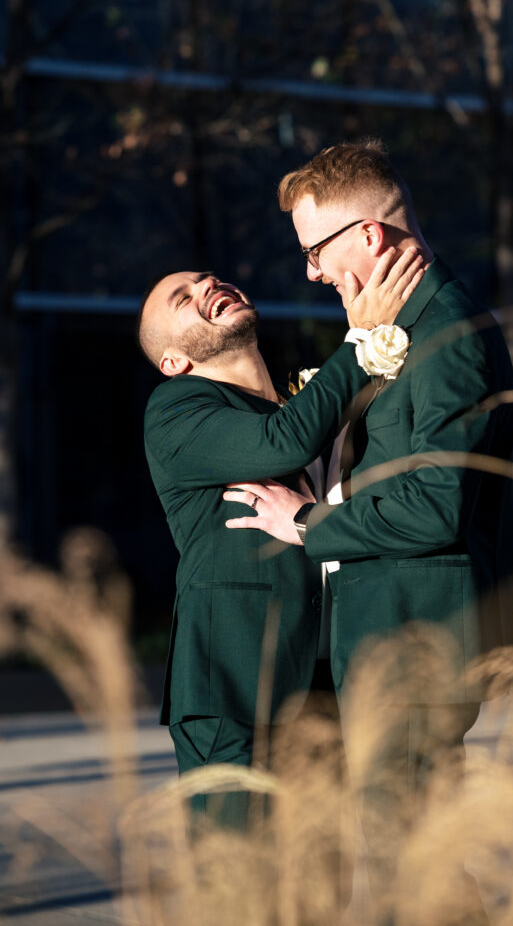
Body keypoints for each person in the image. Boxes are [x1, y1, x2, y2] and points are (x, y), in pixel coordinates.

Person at [224, 138, 513, 797]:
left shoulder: (447, 334)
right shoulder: (397, 325)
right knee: (408, 861)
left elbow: (438, 502)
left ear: (368, 236)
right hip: (388, 637)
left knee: (402, 862)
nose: (311, 273)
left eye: (313, 251)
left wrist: (307, 522)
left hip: (414, 643)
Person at [137, 253, 423, 829]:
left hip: (323, 693)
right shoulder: (175, 410)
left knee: (320, 889)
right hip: (232, 693)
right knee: (241, 891)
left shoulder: (305, 405)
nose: (206, 284)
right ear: (174, 359)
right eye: (182, 296)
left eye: (207, 278)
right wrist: (364, 337)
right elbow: (281, 444)